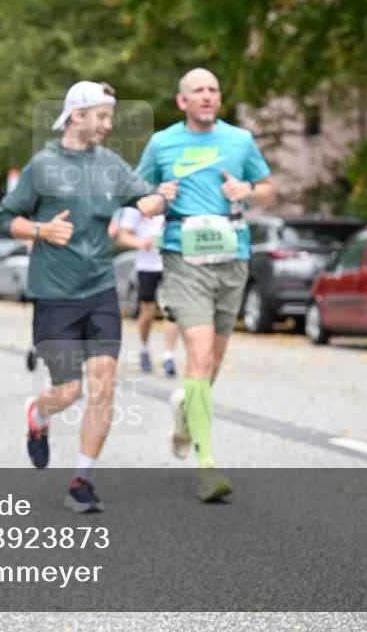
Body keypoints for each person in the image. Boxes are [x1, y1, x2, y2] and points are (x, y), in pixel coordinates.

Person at [0, 81, 168, 512]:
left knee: (104, 384)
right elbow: (5, 217)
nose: (109, 125)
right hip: (54, 293)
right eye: (103, 116)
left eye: (111, 116)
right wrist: (41, 229)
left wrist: (153, 203)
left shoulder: (111, 165)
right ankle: (39, 411)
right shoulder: (43, 166)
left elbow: (147, 194)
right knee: (68, 390)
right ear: (77, 116)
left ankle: (81, 480)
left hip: (100, 290)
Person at [137, 68, 273, 500]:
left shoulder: (240, 141)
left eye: (214, 89)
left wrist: (247, 190)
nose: (208, 95)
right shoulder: (161, 144)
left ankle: (184, 409)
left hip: (232, 257)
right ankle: (206, 462)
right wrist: (159, 198)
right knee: (196, 353)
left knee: (211, 362)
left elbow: (268, 189)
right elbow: (140, 197)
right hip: (183, 257)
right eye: (198, 90)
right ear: (182, 101)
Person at [118, 206, 178, 376]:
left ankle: (169, 356)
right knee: (148, 311)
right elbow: (123, 236)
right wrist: (143, 243)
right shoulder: (136, 205)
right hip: (146, 265)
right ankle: (144, 347)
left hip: (170, 263)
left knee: (171, 310)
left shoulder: (172, 199)